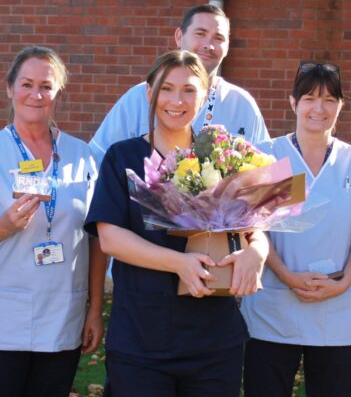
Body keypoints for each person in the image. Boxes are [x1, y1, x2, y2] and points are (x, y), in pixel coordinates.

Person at [85, 50, 268, 397]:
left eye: (188, 90)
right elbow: (110, 238)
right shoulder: (122, 157)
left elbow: (256, 226)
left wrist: (256, 252)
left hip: (214, 341)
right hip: (142, 339)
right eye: (166, 88)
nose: (176, 100)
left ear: (204, 96)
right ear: (149, 92)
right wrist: (179, 264)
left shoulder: (225, 156)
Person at [0, 46, 107, 397]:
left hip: (61, 318)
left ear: (58, 94)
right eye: (26, 84)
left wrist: (94, 309)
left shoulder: (82, 157)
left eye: (46, 86)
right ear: (9, 88)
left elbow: (98, 239)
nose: (36, 94)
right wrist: (2, 226)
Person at [240, 62, 351, 397]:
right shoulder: (268, 157)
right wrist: (287, 276)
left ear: (340, 106)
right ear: (293, 103)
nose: (318, 109)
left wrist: (345, 282)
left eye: (329, 100)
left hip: (337, 312)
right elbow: (255, 229)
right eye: (309, 98)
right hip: (274, 309)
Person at [88, 4, 269, 164]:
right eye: (200, 34)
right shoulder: (138, 97)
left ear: (228, 46)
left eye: (218, 38)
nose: (209, 45)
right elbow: (95, 160)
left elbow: (267, 171)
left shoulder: (242, 104)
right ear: (179, 36)